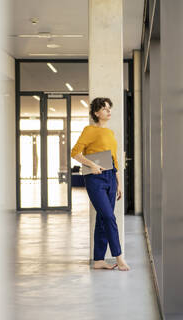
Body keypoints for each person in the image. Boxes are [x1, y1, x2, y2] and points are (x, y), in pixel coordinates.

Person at [70, 97, 130, 271]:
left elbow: (115, 160)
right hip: (95, 179)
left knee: (103, 219)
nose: (108, 111)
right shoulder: (89, 130)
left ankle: (98, 260)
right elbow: (75, 152)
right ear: (96, 113)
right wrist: (92, 165)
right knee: (109, 217)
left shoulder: (110, 133)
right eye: (104, 109)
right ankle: (119, 257)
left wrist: (118, 183)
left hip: (111, 177)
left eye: (109, 108)